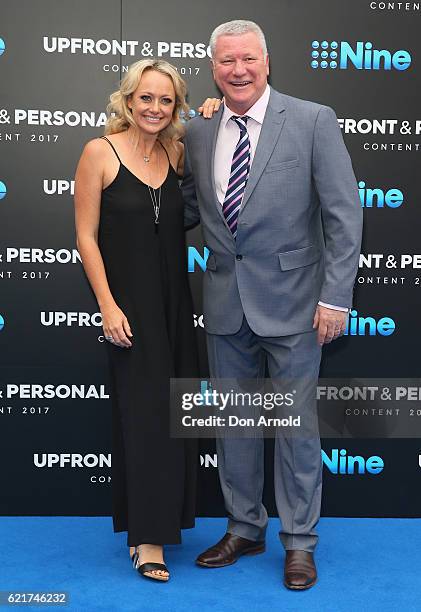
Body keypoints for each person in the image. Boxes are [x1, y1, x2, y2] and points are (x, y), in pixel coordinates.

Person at [182, 20, 363, 590]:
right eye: (226, 61)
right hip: (224, 302)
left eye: (247, 59)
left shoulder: (312, 120)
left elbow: (343, 216)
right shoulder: (199, 129)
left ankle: (300, 541)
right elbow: (188, 206)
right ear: (213, 67)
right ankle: (244, 526)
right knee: (234, 425)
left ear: (266, 61)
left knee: (295, 429)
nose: (238, 70)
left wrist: (335, 297)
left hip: (296, 304)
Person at [74, 59, 219, 582]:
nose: (155, 109)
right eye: (146, 98)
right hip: (129, 309)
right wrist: (108, 306)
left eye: (167, 100)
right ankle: (146, 539)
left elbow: (217, 136)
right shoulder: (100, 152)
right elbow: (86, 237)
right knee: (144, 418)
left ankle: (168, 521)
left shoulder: (176, 150)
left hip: (176, 305)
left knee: (176, 413)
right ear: (127, 100)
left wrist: (212, 109)